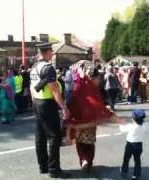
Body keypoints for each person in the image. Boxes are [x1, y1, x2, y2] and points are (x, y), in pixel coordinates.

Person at [63, 68, 125, 172]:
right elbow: (99, 105)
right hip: (90, 122)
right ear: (94, 78)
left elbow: (72, 102)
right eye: (98, 78)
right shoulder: (92, 89)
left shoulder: (79, 86)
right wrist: (112, 116)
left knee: (80, 143)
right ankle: (88, 160)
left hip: (78, 122)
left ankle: (83, 160)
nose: (99, 81)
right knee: (90, 144)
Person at [30, 42, 71, 178]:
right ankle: (54, 169)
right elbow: (55, 90)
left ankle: (43, 166)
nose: (52, 54)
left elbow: (32, 88)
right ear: (46, 52)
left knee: (40, 137)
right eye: (51, 51)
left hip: (37, 102)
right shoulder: (48, 68)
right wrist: (63, 107)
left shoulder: (34, 67)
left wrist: (34, 102)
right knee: (54, 136)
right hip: (47, 104)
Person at [119, 109, 146, 180]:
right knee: (137, 160)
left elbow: (122, 130)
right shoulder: (143, 126)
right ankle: (136, 175)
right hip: (139, 145)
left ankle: (124, 171)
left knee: (126, 158)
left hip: (130, 145)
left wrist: (121, 123)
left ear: (134, 119)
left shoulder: (131, 126)